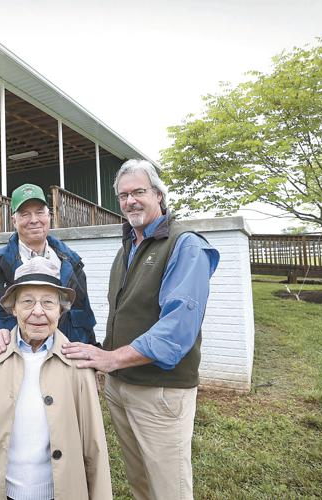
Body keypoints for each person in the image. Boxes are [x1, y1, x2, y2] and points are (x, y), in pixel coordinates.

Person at [61, 159, 220, 500]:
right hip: (121, 386)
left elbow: (176, 331)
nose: (130, 201)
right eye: (123, 195)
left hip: (159, 392)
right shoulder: (130, 245)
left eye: (139, 192)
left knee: (169, 489)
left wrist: (111, 359)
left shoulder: (185, 245)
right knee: (140, 483)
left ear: (159, 195)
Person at [0, 258, 111, 500]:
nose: (38, 312)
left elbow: (94, 450)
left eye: (48, 302)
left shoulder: (78, 365)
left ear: (61, 309)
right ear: (13, 308)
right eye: (27, 301)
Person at [0, 183, 97, 356]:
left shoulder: (72, 263)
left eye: (39, 212)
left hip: (65, 363)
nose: (34, 220)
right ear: (14, 221)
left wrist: (91, 354)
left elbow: (84, 320)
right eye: (25, 214)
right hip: (12, 364)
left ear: (49, 216)